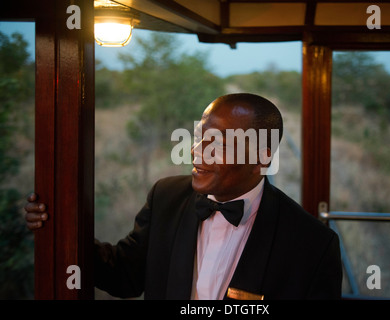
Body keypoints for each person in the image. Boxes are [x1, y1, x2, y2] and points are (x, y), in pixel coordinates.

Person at [25, 93, 342, 300]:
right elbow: (124, 275)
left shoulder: (312, 244)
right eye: (199, 136)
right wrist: (61, 227)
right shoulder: (167, 196)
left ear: (262, 157)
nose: (195, 151)